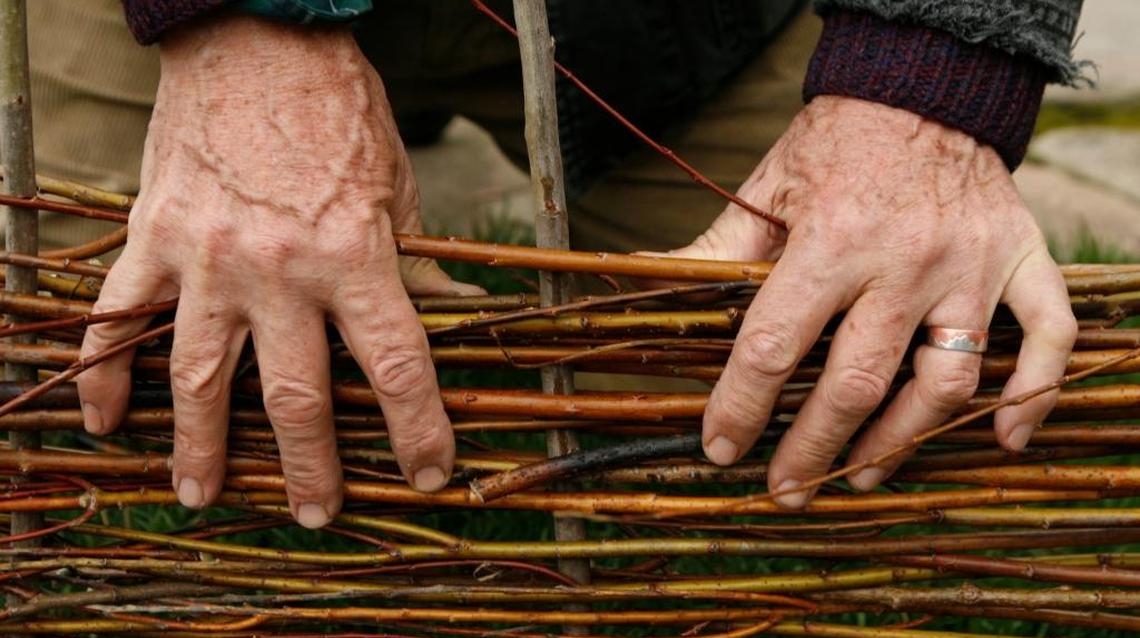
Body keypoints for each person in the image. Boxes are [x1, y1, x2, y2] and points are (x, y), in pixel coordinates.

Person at [63, 0, 1083, 528]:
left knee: (779, 376)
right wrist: (238, 36)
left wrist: (932, 82)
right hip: (167, 15)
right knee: (101, 370)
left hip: (663, 20)